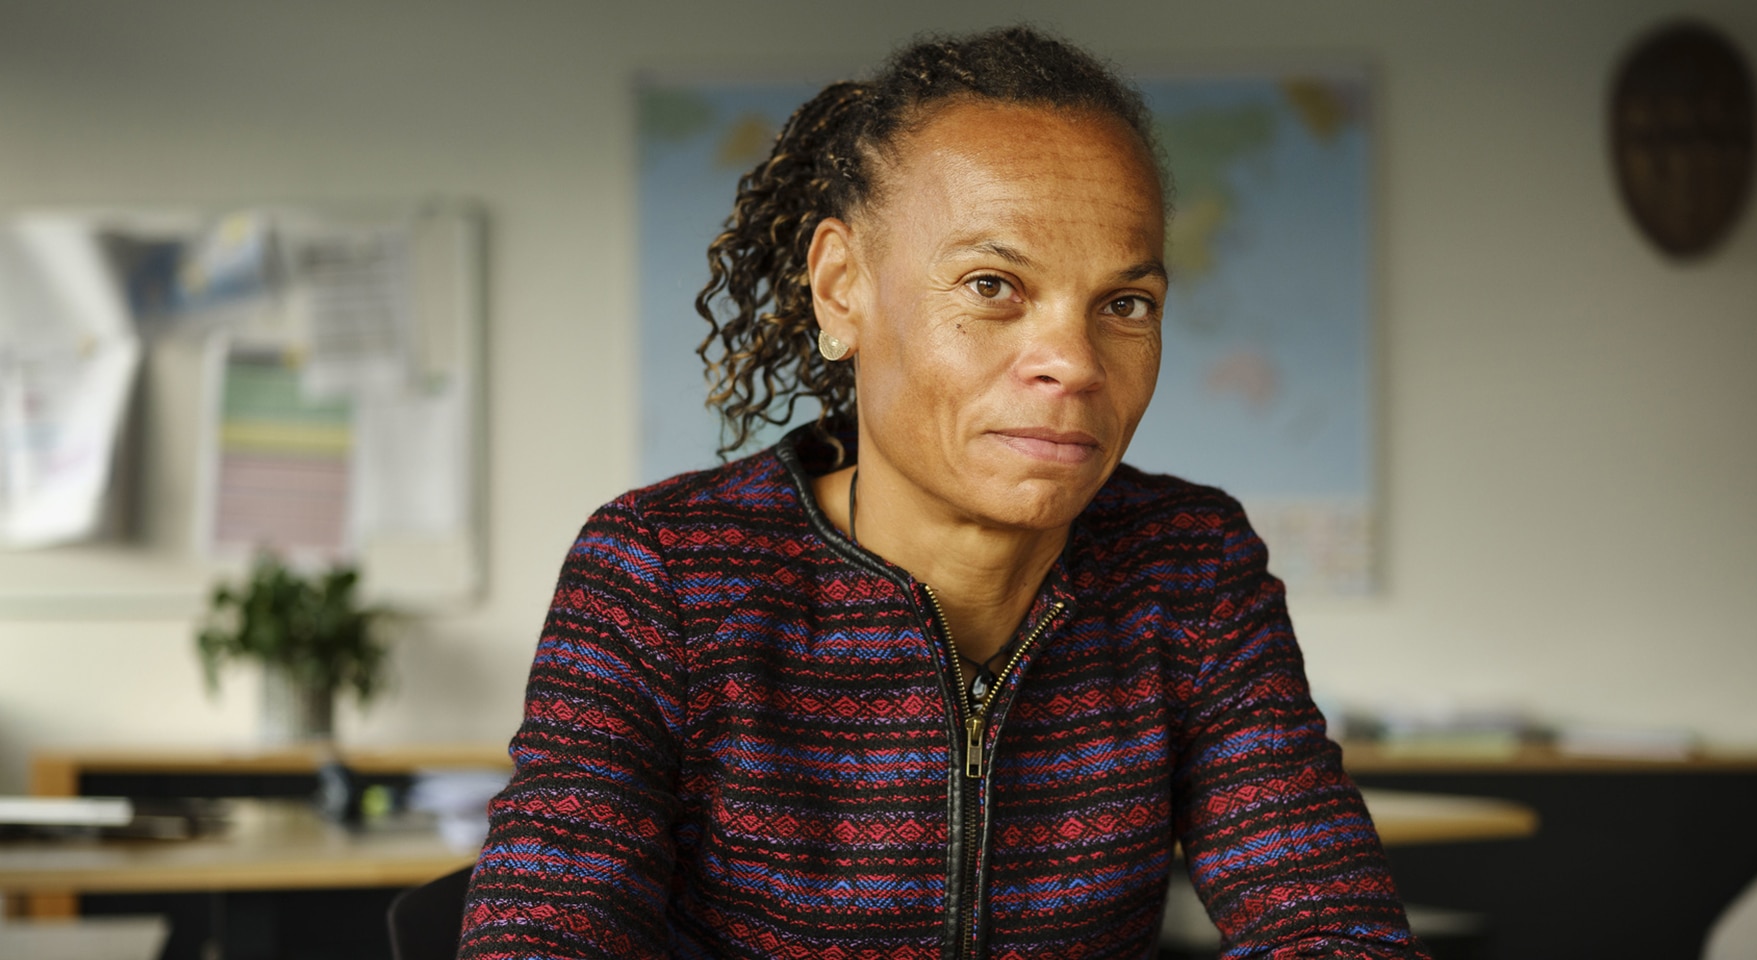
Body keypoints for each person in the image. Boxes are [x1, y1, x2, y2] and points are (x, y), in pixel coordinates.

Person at [459, 26, 1426, 960]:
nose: (1073, 364)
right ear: (843, 289)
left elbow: (1331, 926)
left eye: (1124, 305)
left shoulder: (1189, 568)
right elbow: (542, 937)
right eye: (993, 286)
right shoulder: (666, 573)